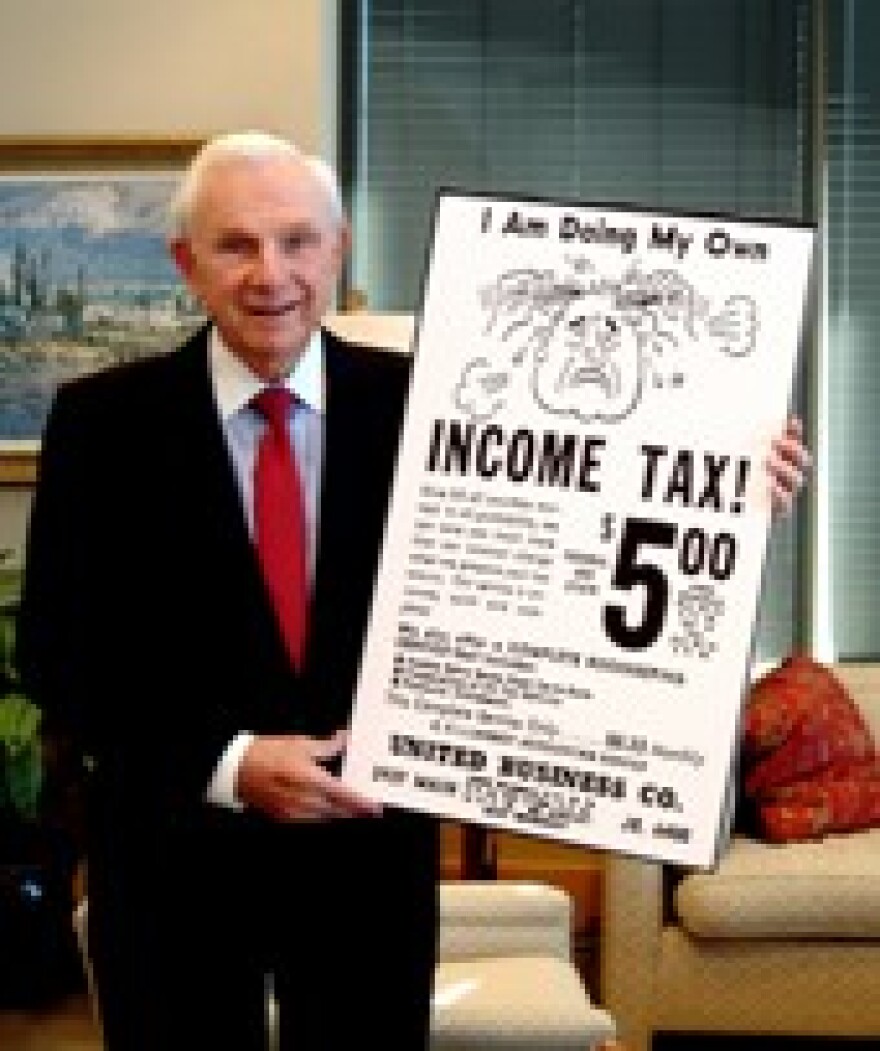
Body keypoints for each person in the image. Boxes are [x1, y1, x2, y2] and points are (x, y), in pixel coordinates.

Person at [14, 131, 811, 1051]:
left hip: (368, 870)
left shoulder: (444, 403)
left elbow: (581, 532)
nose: (270, 272)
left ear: (339, 248)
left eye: (297, 240)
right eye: (236, 245)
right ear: (185, 262)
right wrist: (231, 761)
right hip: (170, 865)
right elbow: (57, 651)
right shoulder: (99, 423)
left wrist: (734, 484)